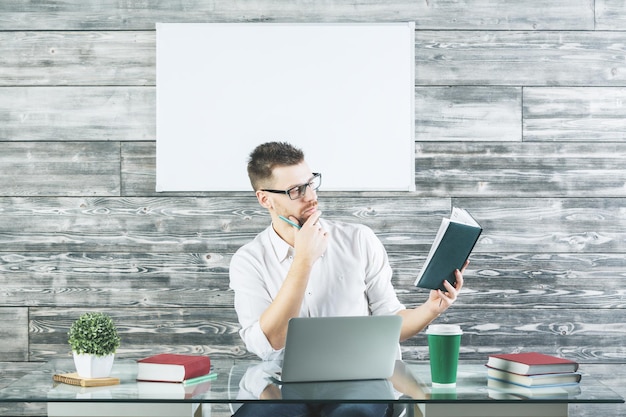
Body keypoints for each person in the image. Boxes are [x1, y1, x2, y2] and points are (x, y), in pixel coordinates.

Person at [229, 141, 466, 417]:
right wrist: (303, 260)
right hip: (282, 384)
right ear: (265, 199)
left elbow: (389, 323)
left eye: (311, 183)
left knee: (353, 413)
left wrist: (430, 309)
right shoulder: (248, 260)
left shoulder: (358, 240)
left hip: (360, 382)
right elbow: (271, 340)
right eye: (296, 190)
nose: (310, 196)